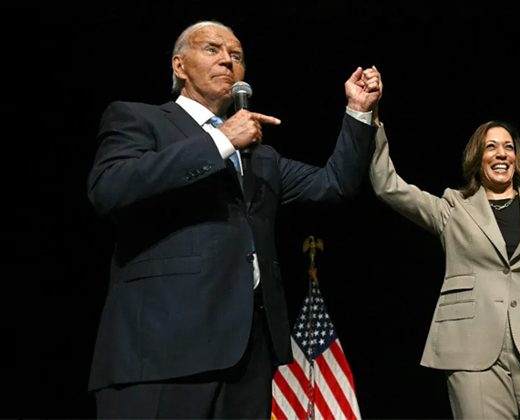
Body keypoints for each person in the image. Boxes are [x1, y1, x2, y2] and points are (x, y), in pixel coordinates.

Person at [86, 20, 382, 419]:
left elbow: (334, 184)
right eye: (212, 49)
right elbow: (110, 188)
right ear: (179, 66)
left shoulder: (260, 156)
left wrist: (358, 113)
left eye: (237, 56)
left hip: (248, 354)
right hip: (161, 351)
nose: (227, 59)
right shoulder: (138, 119)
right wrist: (220, 140)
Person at [368, 116, 520, 419]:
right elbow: (388, 187)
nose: (501, 153)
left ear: (517, 158)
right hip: (472, 350)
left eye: (508, 147)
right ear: (477, 157)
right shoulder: (452, 207)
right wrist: (371, 123)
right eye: (490, 147)